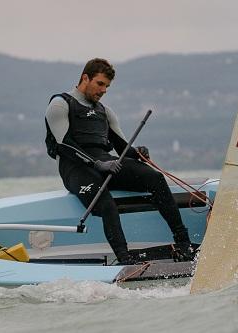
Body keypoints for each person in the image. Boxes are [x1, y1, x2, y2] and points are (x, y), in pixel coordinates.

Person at [44, 58, 194, 264]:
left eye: (107, 86)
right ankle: (124, 260)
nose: (104, 90)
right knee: (106, 204)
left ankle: (184, 243)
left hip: (107, 163)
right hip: (75, 168)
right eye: (100, 84)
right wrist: (97, 164)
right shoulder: (60, 104)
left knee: (155, 178)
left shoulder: (105, 112)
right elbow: (64, 145)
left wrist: (138, 152)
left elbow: (122, 148)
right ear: (85, 78)